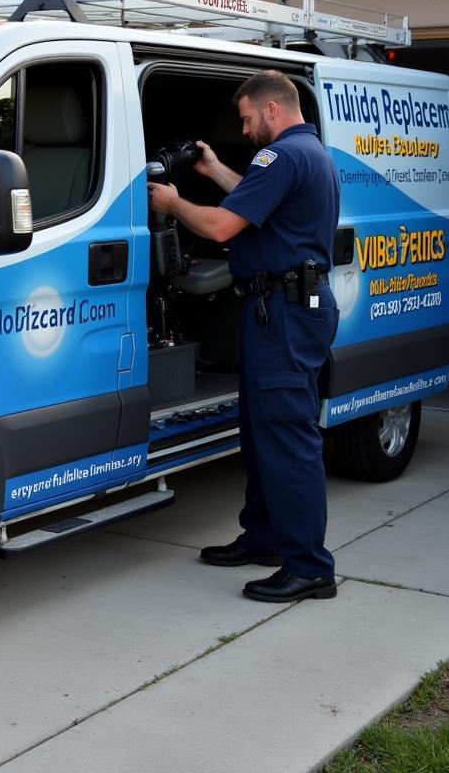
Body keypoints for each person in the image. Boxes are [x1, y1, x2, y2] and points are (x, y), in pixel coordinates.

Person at [148, 70, 340, 603]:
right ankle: (265, 539)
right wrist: (212, 170)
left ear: (272, 110)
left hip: (286, 311)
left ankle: (309, 566)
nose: (246, 127)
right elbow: (253, 202)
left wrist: (172, 204)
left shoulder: (281, 157)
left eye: (247, 118)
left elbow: (220, 228)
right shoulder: (306, 155)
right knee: (262, 432)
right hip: (283, 307)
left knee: (287, 437)